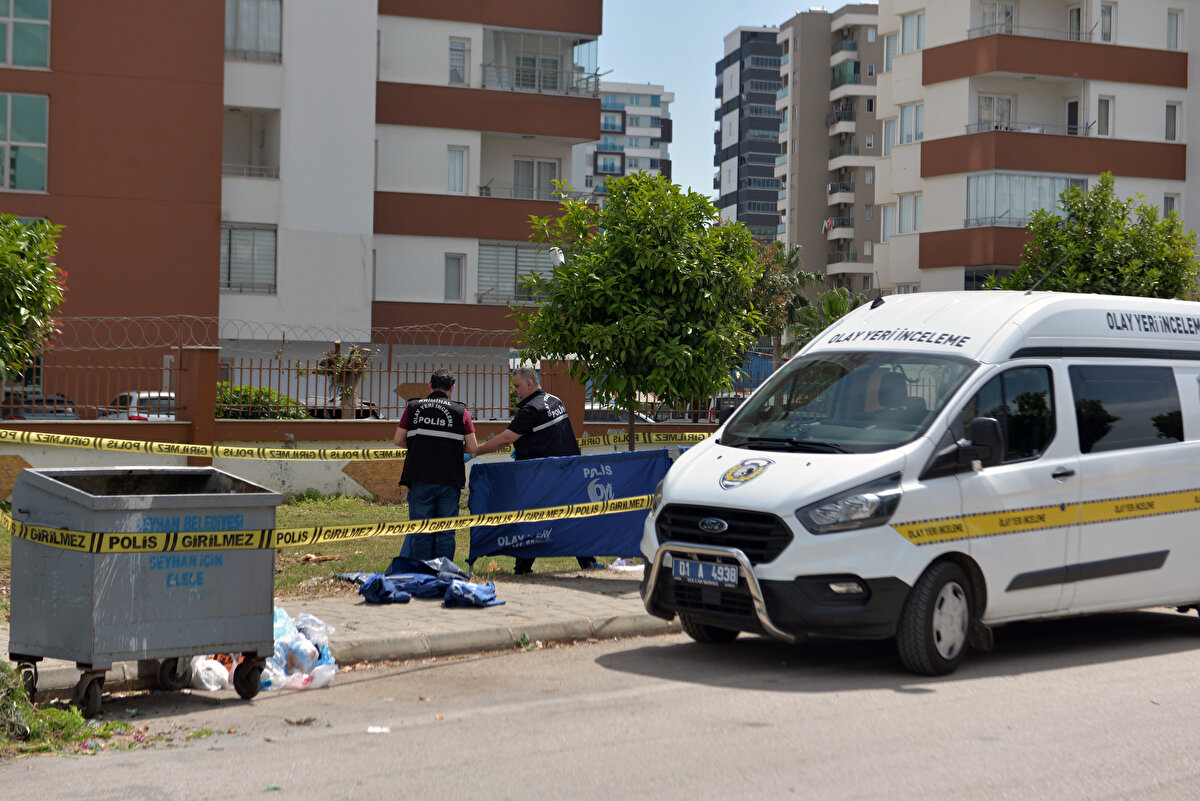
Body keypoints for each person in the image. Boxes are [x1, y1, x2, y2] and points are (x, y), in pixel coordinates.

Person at [475, 366, 603, 574]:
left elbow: (506, 438)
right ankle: (587, 562)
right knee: (571, 517)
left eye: (517, 386)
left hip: (539, 476)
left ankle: (522, 567)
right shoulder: (555, 401)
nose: (514, 390)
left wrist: (475, 452)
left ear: (529, 384)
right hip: (567, 472)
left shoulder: (531, 409)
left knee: (530, 520)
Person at [394, 368, 478, 561]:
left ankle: (423, 572)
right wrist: (452, 448)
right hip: (449, 479)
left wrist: (419, 445)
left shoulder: (413, 407)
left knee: (422, 530)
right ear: (452, 388)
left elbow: (398, 440)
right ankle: (444, 572)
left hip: (420, 477)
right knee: (446, 532)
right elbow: (472, 446)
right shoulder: (460, 411)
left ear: (430, 385)